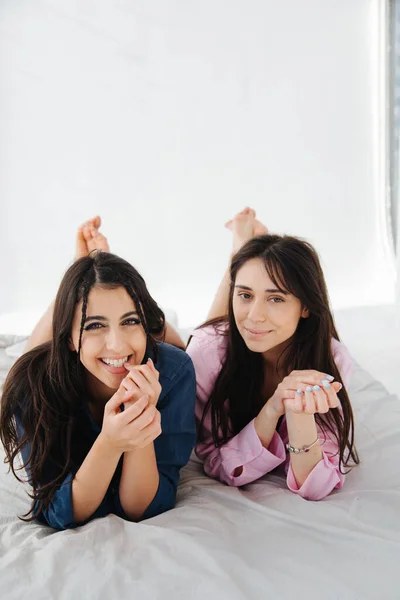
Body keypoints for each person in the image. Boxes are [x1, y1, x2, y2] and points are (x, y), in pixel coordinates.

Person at [0, 218, 196, 530]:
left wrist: (139, 416)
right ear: (68, 337)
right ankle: (86, 282)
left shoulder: (174, 373)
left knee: (173, 345)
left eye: (131, 321)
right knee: (28, 362)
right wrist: (109, 442)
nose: (116, 344)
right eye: (94, 325)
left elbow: (140, 509)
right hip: (57, 358)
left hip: (156, 345)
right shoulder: (33, 387)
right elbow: (59, 511)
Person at [186, 208, 359, 500]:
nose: (255, 315)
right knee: (185, 339)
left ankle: (244, 255)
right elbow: (219, 464)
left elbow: (316, 485)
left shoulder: (333, 362)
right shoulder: (205, 354)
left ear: (306, 306)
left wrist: (297, 410)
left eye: (276, 298)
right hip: (207, 347)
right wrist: (271, 409)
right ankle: (240, 250)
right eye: (244, 295)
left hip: (226, 342)